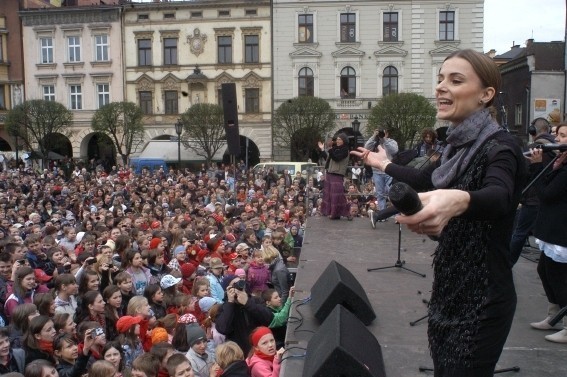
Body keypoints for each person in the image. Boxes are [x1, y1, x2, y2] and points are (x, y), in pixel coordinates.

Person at [352, 49, 526, 377]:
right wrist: (381, 163)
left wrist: (457, 200)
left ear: (486, 95)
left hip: (484, 298)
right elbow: (425, 179)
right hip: (449, 288)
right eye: (440, 79)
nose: (441, 87)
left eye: (455, 80)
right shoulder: (455, 146)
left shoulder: (501, 147)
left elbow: (499, 196)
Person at [528, 122, 567, 343]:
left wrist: (537, 166)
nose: (557, 139)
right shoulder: (560, 162)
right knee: (544, 271)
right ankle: (554, 316)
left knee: (559, 278)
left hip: (561, 232)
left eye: (562, 136)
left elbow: (546, 194)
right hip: (551, 228)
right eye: (557, 134)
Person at [509, 117, 556, 265]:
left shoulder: (535, 149)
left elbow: (523, 173)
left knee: (519, 233)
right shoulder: (556, 147)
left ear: (533, 131)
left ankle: (506, 264)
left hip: (533, 199)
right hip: (547, 198)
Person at [318, 134, 352, 220]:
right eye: (337, 139)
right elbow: (328, 159)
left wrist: (329, 149)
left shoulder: (345, 150)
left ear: (344, 140)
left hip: (337, 174)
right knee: (329, 195)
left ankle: (345, 213)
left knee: (337, 195)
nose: (338, 141)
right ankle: (333, 213)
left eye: (340, 139)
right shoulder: (334, 149)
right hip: (330, 173)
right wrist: (322, 150)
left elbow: (337, 158)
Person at [364, 129, 398, 213]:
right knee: (380, 194)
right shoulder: (374, 142)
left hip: (389, 170)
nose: (381, 135)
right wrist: (374, 136)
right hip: (377, 171)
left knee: (393, 193)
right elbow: (366, 148)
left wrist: (384, 140)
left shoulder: (391, 142)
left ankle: (395, 213)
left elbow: (394, 151)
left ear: (387, 133)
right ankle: (382, 213)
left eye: (383, 132)